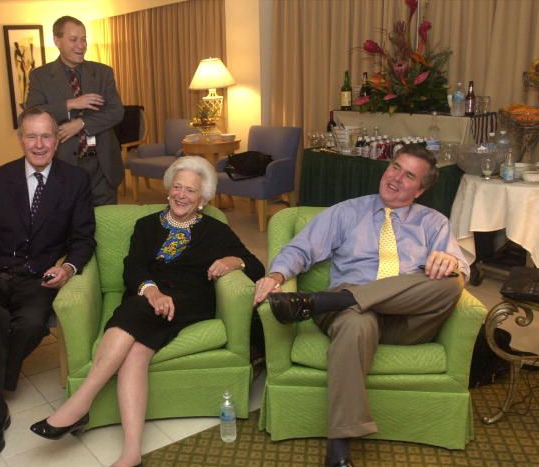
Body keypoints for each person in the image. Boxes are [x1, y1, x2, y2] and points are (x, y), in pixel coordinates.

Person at [30, 156, 264, 467]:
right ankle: (132, 452)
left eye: (190, 191)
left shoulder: (214, 229)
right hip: (148, 294)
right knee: (136, 352)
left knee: (136, 312)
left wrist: (233, 261)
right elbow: (133, 268)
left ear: (203, 200)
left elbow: (257, 265)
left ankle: (81, 402)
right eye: (177, 187)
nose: (181, 195)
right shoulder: (146, 225)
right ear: (168, 190)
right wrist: (151, 290)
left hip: (189, 299)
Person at [253, 144, 469, 467]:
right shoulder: (347, 212)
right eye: (395, 167)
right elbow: (301, 248)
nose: (395, 177)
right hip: (353, 316)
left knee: (451, 281)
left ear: (420, 190)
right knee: (356, 321)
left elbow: (461, 271)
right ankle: (337, 452)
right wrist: (276, 274)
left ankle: (327, 301)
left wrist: (449, 260)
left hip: (405, 320)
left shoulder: (433, 223)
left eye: (409, 175)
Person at [0, 108, 96, 460]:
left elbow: (83, 239)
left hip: (37, 277)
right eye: (31, 136)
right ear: (21, 140)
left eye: (47, 136)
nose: (39, 144)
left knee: (31, 324)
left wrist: (69, 269)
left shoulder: (75, 180)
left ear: (57, 140)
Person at [26, 15, 124, 206]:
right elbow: (31, 114)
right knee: (70, 224)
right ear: (57, 40)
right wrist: (70, 104)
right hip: (64, 164)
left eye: (83, 39)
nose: (81, 45)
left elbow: (116, 111)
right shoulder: (41, 76)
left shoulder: (103, 72)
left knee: (105, 225)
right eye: (73, 40)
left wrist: (81, 124)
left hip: (102, 165)